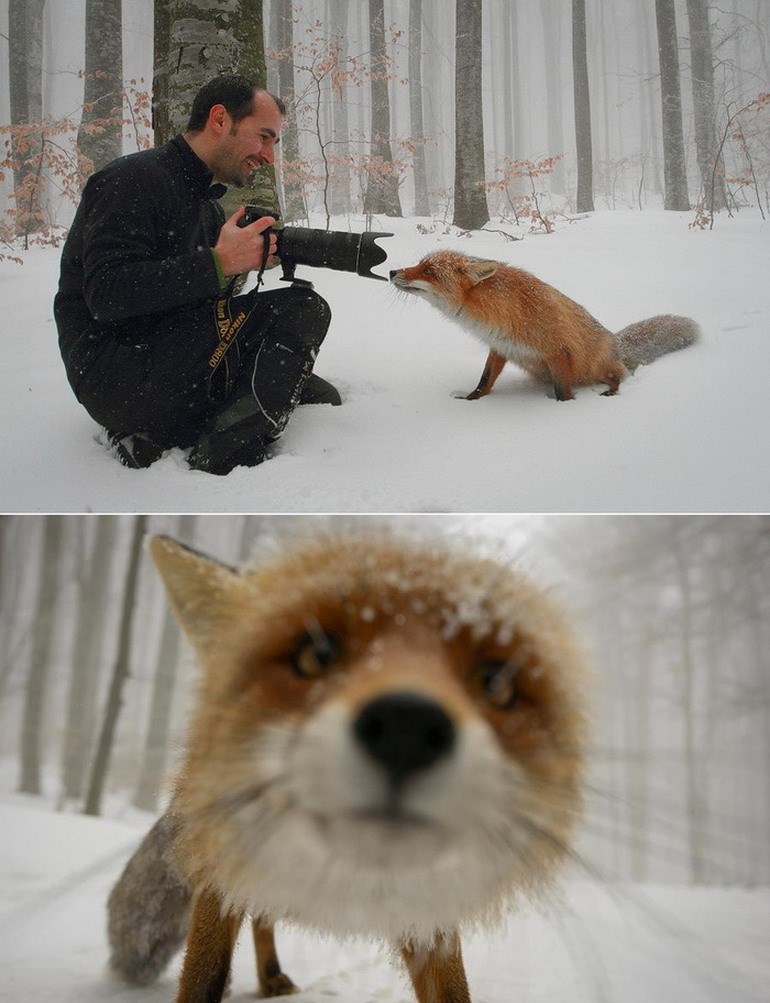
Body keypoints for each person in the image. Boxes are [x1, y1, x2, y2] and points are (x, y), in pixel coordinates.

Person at [54, 75, 340, 475]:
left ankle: (181, 421)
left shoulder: (205, 206)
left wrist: (237, 265)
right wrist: (218, 264)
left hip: (162, 356)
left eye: (274, 142)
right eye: (264, 136)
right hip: (117, 375)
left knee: (295, 354)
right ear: (220, 119)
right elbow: (107, 295)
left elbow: (191, 301)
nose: (269, 156)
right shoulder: (131, 180)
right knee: (303, 309)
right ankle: (225, 452)